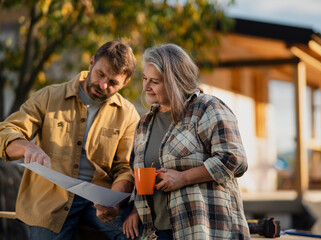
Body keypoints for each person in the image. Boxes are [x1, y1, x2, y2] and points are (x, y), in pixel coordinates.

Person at [0, 40, 140, 239]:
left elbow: (125, 168)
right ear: (91, 63)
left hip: (99, 203)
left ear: (124, 83)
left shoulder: (128, 114)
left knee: (140, 235)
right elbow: (6, 131)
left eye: (113, 82)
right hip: (49, 202)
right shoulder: (49, 96)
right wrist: (27, 147)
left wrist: (114, 203)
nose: (103, 85)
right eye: (100, 74)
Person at [123, 43, 250, 240]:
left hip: (203, 230)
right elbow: (138, 174)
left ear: (175, 81)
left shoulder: (206, 108)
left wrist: (184, 178)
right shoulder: (144, 124)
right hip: (157, 232)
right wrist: (134, 211)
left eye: (154, 81)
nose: (146, 87)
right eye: (145, 79)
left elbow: (234, 160)